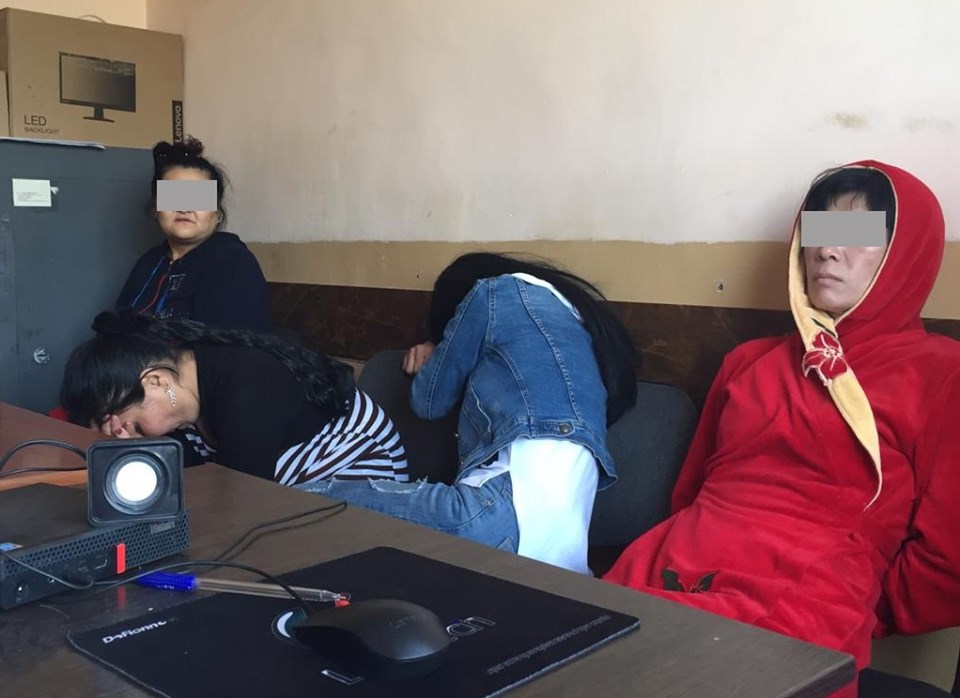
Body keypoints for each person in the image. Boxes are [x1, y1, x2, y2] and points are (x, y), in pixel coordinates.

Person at [603, 161, 960, 697]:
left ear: (905, 254)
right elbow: (692, 490)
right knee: (575, 661)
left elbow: (950, 556)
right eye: (818, 230)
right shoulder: (749, 361)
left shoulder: (941, 374)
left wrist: (866, 601)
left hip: (809, 592)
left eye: (857, 235)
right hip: (675, 562)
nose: (828, 250)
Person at [297, 253, 638, 574]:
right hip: (564, 559)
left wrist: (433, 349)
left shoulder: (493, 292)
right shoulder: (574, 323)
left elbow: (428, 402)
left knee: (308, 502)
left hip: (497, 517)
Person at [61, 311, 408, 486]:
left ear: (155, 380)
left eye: (134, 426)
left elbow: (238, 498)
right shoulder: (183, 389)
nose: (135, 435)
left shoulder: (244, 388)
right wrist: (132, 452)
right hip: (279, 486)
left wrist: (137, 454)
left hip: (360, 478)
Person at [115, 136, 271, 332]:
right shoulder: (148, 263)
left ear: (217, 214)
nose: (185, 208)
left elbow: (229, 345)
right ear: (156, 208)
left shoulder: (234, 263)